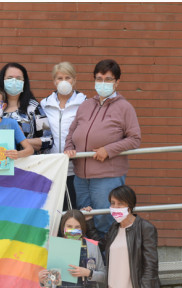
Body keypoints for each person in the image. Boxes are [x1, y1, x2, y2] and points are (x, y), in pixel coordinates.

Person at [64, 59, 141, 240]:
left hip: (107, 178)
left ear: (117, 82)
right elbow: (72, 133)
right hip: (81, 178)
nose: (103, 83)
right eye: (99, 79)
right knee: (85, 223)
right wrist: (69, 148)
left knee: (105, 223)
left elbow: (135, 139)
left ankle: (108, 265)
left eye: (108, 79)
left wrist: (109, 149)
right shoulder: (86, 105)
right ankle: (89, 263)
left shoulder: (124, 107)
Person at [40, 62, 87, 210]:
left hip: (75, 168)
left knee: (72, 211)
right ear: (54, 81)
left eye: (68, 77)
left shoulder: (85, 104)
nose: (64, 82)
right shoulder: (44, 105)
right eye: (60, 78)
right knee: (52, 211)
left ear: (74, 80)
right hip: (52, 167)